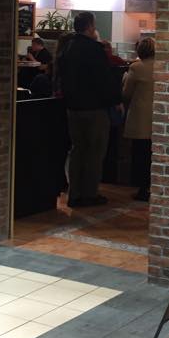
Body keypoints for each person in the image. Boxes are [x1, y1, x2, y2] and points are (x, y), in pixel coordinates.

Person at [56, 12, 121, 207]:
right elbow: (104, 79)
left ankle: (74, 194)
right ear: (90, 26)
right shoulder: (94, 49)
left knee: (77, 150)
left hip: (72, 107)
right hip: (94, 108)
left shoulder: (67, 47)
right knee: (95, 151)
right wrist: (115, 100)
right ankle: (90, 193)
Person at [123, 37, 155, 201]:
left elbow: (126, 93)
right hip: (155, 116)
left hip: (140, 116)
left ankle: (142, 188)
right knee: (152, 154)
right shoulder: (161, 66)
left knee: (140, 154)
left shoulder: (136, 67)